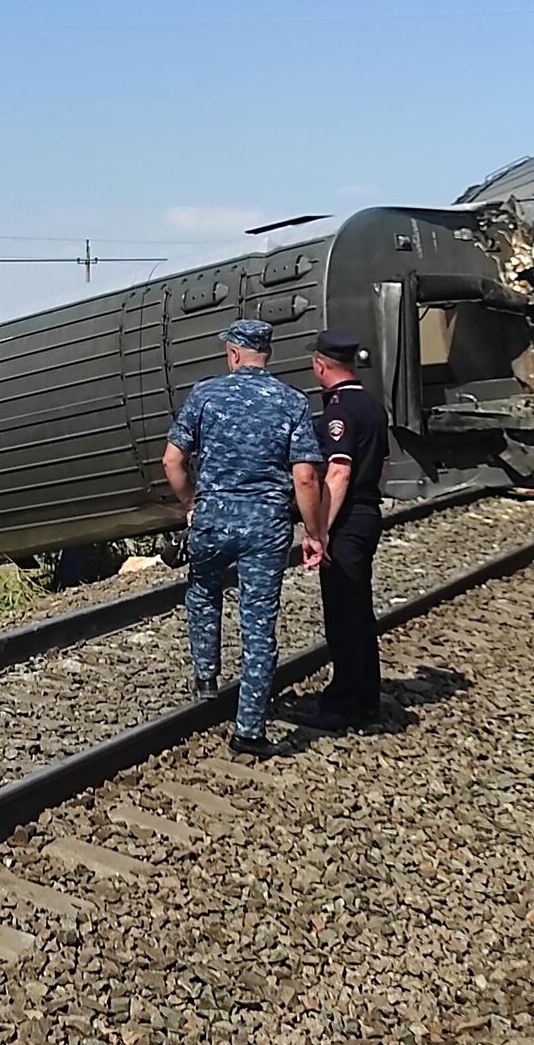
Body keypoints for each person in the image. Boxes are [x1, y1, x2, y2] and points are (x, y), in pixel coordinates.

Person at [163, 318, 325, 758]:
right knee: (258, 624)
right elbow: (306, 477)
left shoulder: (205, 395)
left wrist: (191, 505)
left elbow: (172, 460)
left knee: (202, 593)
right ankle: (249, 729)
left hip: (212, 518)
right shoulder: (291, 402)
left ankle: (206, 676)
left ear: (233, 353)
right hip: (265, 525)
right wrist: (314, 532)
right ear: (265, 353)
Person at [288, 330, 391, 732]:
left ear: (320, 365)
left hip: (346, 519)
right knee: (360, 611)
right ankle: (366, 696)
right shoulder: (371, 405)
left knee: (344, 613)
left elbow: (339, 471)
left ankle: (342, 703)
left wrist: (319, 530)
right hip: (367, 511)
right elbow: (379, 465)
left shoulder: (338, 411)